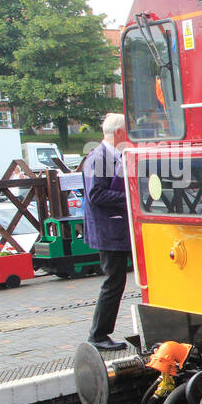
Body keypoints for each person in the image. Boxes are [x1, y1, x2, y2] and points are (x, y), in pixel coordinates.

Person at [84, 113, 131, 351]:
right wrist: (130, 198)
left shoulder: (112, 156)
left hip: (118, 229)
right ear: (120, 133)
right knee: (113, 282)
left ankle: (99, 333)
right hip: (110, 231)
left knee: (116, 281)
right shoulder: (99, 157)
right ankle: (98, 334)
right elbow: (96, 195)